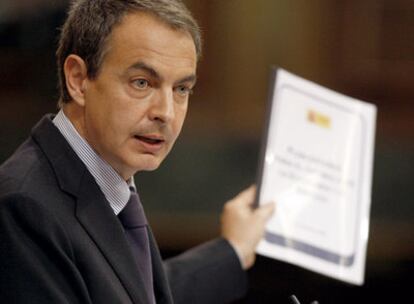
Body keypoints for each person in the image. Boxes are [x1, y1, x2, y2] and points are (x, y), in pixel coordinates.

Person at [0, 0, 274, 303]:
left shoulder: (106, 184)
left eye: (181, 89)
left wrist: (233, 250)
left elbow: (130, 293)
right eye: (142, 83)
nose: (166, 113)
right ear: (78, 79)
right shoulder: (24, 209)